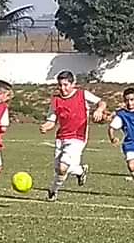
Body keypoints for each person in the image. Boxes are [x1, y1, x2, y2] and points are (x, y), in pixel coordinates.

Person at [39, 70, 106, 201]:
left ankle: (52, 191)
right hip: (61, 137)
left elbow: (102, 102)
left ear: (73, 84)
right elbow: (51, 120)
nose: (63, 88)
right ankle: (78, 173)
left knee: (63, 166)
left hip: (77, 136)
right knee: (59, 169)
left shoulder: (82, 94)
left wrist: (99, 110)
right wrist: (45, 127)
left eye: (66, 85)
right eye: (60, 85)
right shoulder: (56, 100)